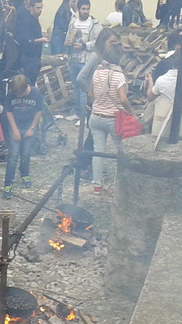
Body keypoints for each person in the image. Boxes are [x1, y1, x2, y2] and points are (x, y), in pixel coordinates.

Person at [88, 45, 133, 194]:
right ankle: (116, 186)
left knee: (98, 151)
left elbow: (91, 94)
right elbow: (123, 98)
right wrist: (131, 112)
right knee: (120, 152)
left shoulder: (97, 72)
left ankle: (97, 185)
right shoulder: (119, 76)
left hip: (95, 117)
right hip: (113, 119)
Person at [1, 74, 43, 198]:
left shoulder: (36, 93)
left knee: (25, 154)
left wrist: (32, 128)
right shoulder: (11, 95)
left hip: (29, 126)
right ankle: (8, 184)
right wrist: (14, 130)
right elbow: (9, 112)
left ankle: (24, 173)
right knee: (13, 156)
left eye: (20, 94)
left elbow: (39, 111)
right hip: (15, 125)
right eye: (16, 94)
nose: (18, 96)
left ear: (26, 87)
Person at [66, 0, 101, 119]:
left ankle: (84, 116)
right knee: (75, 87)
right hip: (73, 59)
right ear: (78, 9)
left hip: (86, 60)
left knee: (83, 88)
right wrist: (68, 43)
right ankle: (77, 113)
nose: (86, 11)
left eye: (87, 9)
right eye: (83, 9)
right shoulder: (73, 22)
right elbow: (68, 36)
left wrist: (85, 46)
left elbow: (98, 42)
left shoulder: (94, 23)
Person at [15, 0, 47, 80]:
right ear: (31, 7)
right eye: (38, 8)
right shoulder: (26, 21)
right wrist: (40, 40)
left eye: (41, 8)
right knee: (30, 81)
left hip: (35, 56)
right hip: (29, 57)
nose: (40, 10)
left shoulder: (35, 19)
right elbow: (25, 40)